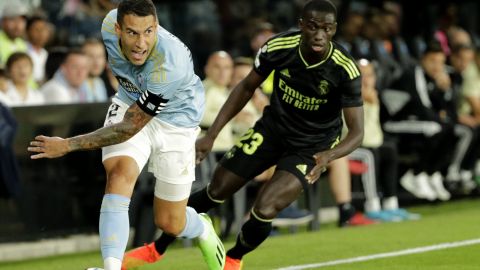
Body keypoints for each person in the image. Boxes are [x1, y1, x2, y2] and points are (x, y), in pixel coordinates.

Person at [122, 1, 364, 269]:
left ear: (334, 30)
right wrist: (211, 135)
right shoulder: (278, 47)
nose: (319, 35)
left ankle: (234, 258)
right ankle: (157, 249)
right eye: (313, 27)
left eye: (327, 29)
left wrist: (328, 156)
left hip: (311, 146)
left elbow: (357, 132)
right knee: (217, 189)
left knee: (265, 208)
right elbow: (245, 87)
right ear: (301, 26)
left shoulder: (345, 69)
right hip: (271, 131)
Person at [27, 1, 225, 270]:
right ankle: (111, 267)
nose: (141, 43)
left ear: (157, 27)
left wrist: (68, 145)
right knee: (119, 175)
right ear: (118, 28)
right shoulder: (108, 23)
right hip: (129, 103)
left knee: (170, 222)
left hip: (176, 122)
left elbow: (127, 129)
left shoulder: (171, 63)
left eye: (148, 32)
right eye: (132, 32)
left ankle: (201, 226)